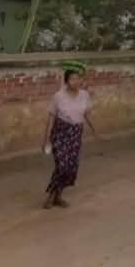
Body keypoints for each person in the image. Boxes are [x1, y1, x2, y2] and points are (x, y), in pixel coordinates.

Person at [41, 61, 99, 209]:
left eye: (79, 78)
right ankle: (51, 196)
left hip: (76, 134)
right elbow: (51, 118)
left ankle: (58, 195)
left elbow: (87, 115)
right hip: (60, 133)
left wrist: (95, 130)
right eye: (73, 78)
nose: (76, 81)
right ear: (66, 80)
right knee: (62, 165)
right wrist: (46, 140)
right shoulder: (58, 96)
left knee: (71, 167)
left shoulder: (84, 95)